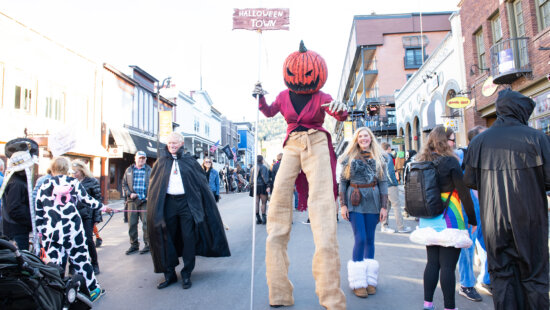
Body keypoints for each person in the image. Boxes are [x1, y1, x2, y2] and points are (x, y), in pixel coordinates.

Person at [253, 40, 347, 309]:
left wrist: (340, 109)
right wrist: (259, 96)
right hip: (292, 144)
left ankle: (331, 297)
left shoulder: (321, 96)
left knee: (322, 214)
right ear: (289, 71)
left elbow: (339, 114)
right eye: (298, 72)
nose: (302, 76)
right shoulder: (283, 96)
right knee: (277, 210)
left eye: (307, 72)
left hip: (316, 142)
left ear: (317, 71)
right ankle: (279, 293)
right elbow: (269, 111)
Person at [463, 89, 550, 309]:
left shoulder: (479, 142)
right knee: (534, 273)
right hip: (530, 215)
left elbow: (470, 180)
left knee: (502, 274)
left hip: (494, 216)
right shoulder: (538, 138)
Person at [147, 132, 230, 290]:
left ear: (181, 143)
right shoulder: (160, 162)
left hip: (186, 203)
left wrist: (205, 204)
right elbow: (154, 187)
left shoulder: (190, 161)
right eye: (169, 143)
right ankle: (169, 274)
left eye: (175, 143)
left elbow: (201, 184)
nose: (172, 145)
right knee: (167, 237)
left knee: (188, 238)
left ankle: (187, 273)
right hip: (168, 203)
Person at [409, 125, 476, 310]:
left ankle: (428, 304)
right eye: (452, 139)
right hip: (450, 217)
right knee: (448, 267)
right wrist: (473, 219)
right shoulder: (450, 162)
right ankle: (449, 307)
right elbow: (464, 194)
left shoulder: (421, 160)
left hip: (429, 218)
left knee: (432, 263)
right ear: (445, 141)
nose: (454, 143)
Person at [35, 156, 112, 302]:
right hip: (72, 228)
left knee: (53, 263)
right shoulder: (73, 182)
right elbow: (87, 199)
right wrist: (103, 207)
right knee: (82, 259)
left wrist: (40, 231)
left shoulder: (44, 185)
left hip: (51, 230)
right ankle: (93, 290)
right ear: (66, 169)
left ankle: (55, 294)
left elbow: (39, 210)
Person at [339, 127, 388, 298]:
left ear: (371, 138)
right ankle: (358, 281)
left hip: (373, 201)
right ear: (356, 139)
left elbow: (383, 183)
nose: (364, 138)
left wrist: (384, 207)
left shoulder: (380, 157)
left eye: (366, 135)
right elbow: (343, 183)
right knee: (360, 238)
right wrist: (343, 205)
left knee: (370, 239)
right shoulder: (348, 157)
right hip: (355, 200)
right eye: (360, 136)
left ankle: (369, 279)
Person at [453, 126, 488, 302]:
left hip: (488, 206)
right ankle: (466, 284)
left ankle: (487, 279)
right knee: (467, 246)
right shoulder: (462, 155)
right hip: (468, 208)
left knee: (490, 244)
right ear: (475, 140)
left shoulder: (489, 155)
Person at [70, 160, 103, 275]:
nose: (74, 174)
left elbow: (97, 198)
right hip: (73, 215)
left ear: (82, 171)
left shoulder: (92, 181)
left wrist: (97, 216)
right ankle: (73, 264)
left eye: (76, 172)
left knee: (88, 240)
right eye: (72, 172)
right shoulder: (70, 182)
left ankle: (94, 263)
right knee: (73, 240)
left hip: (87, 215)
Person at [1, 140, 35, 250]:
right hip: (17, 229)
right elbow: (15, 208)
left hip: (16, 228)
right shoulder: (17, 183)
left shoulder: (16, 181)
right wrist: (30, 220)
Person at [122, 151, 151, 255]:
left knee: (146, 224)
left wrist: (150, 196)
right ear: (135, 159)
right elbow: (124, 185)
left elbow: (154, 185)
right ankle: (134, 245)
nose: (141, 160)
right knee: (132, 224)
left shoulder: (150, 170)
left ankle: (148, 245)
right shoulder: (129, 170)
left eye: (143, 158)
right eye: (139, 158)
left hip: (145, 201)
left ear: (146, 159)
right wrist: (129, 194)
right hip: (132, 201)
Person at [380, 142, 410, 234]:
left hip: (384, 185)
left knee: (386, 206)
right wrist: (394, 183)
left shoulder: (381, 157)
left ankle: (384, 226)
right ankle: (401, 227)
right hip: (390, 185)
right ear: (388, 148)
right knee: (396, 206)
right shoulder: (388, 157)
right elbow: (390, 172)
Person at [249, 155, 271, 225]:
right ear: (261, 160)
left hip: (254, 186)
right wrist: (268, 185)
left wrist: (251, 185)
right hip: (262, 186)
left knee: (256, 203)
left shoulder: (253, 168)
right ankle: (264, 219)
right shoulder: (264, 167)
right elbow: (265, 177)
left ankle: (258, 219)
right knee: (263, 203)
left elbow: (251, 179)